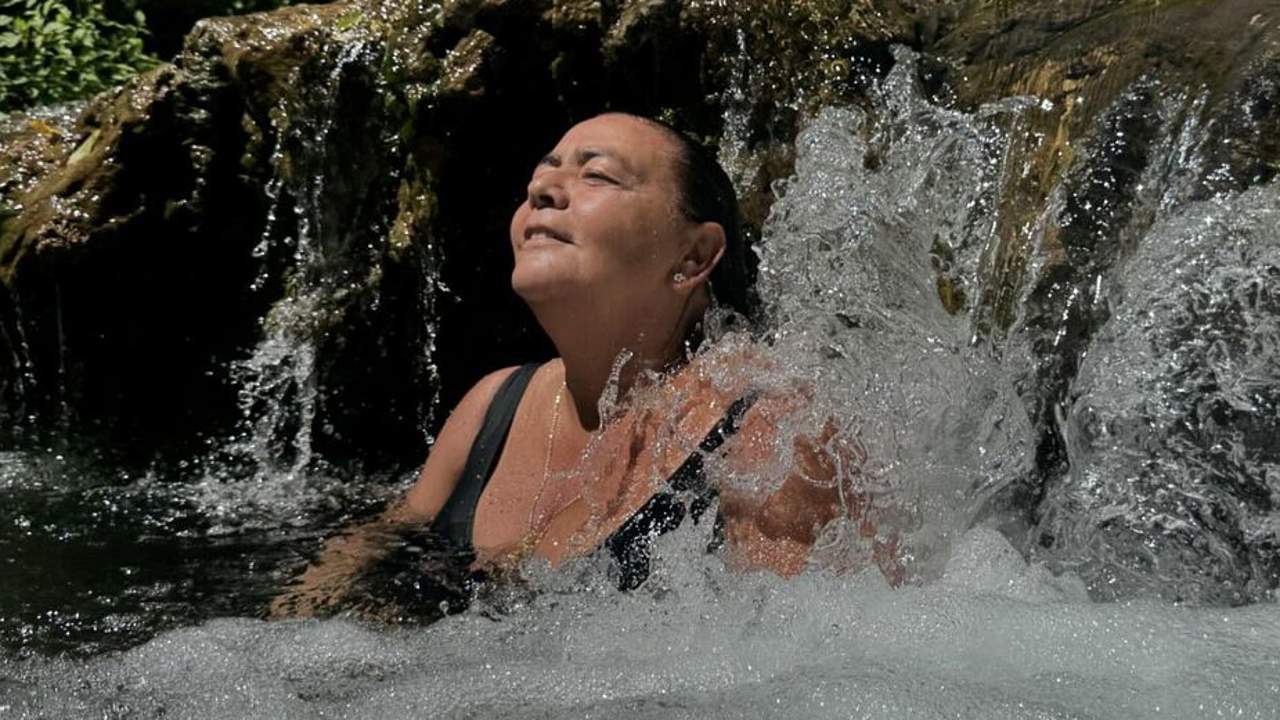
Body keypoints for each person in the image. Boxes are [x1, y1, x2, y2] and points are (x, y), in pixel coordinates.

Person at [270, 112, 897, 618]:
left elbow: (797, 670)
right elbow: (370, 555)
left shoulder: (770, 433)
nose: (542, 189)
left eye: (597, 176)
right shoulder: (496, 406)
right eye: (541, 176)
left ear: (694, 256)